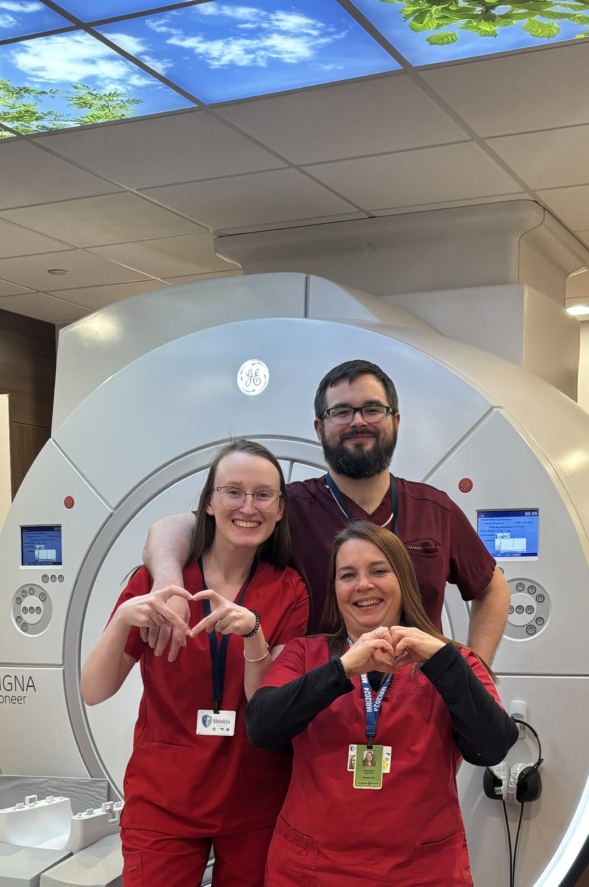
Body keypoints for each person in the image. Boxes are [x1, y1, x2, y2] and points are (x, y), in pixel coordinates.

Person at [142, 360, 509, 665]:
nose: (357, 421)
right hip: (318, 711)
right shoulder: (290, 508)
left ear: (395, 421)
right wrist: (167, 583)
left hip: (418, 710)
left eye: (371, 409)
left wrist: (471, 672)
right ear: (320, 429)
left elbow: (492, 588)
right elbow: (177, 528)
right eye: (341, 412)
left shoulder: (435, 510)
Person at [80, 439, 309, 887]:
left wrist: (253, 634)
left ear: (280, 509)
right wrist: (122, 619)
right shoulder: (157, 583)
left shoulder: (289, 591)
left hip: (255, 796)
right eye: (233, 492)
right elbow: (94, 690)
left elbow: (263, 704)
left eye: (263, 495)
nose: (248, 506)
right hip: (164, 800)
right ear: (208, 501)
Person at [245, 520, 518, 886]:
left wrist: (442, 660)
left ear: (403, 580)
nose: (363, 585)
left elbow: (491, 748)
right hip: (312, 869)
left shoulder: (453, 660)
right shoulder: (305, 654)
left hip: (421, 871)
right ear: (335, 588)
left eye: (378, 571)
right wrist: (341, 670)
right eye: (347, 575)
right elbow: (261, 728)